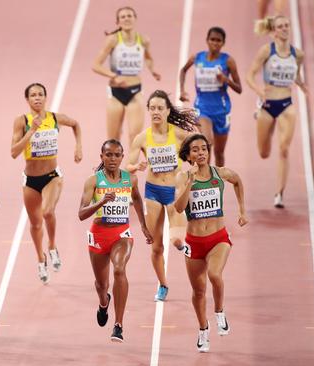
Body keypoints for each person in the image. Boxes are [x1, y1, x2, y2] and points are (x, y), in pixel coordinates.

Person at [174, 134, 248, 352]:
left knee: (215, 275)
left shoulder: (220, 173)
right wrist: (188, 185)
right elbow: (179, 208)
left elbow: (237, 181)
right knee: (198, 291)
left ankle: (219, 312)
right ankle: (203, 330)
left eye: (204, 149)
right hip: (194, 242)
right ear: (188, 155)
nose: (201, 153)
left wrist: (242, 210)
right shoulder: (182, 177)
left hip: (218, 238)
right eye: (195, 150)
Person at [127, 89, 198, 301]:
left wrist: (194, 168)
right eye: (152, 108)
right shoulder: (142, 138)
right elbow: (128, 165)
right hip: (153, 191)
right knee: (156, 245)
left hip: (174, 193)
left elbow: (198, 148)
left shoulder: (178, 134)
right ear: (148, 110)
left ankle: (189, 248)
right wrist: (136, 166)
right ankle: (163, 284)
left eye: (160, 108)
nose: (156, 111)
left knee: (176, 241)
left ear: (168, 111)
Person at [78, 139, 152, 342]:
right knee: (102, 285)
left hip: (122, 235)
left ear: (122, 157)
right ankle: (104, 302)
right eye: (108, 155)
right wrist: (101, 202)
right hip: (99, 236)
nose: (112, 158)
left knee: (119, 269)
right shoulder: (93, 181)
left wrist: (144, 225)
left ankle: (118, 325)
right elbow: (81, 214)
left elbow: (137, 198)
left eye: (117, 155)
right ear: (101, 157)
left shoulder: (130, 180)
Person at [10, 83, 82, 284]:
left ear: (45, 97)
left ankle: (52, 246)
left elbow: (76, 124)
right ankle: (40, 258)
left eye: (40, 94)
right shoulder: (21, 121)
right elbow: (14, 152)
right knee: (35, 224)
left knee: (48, 212)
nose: (37, 98)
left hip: (52, 176)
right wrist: (30, 131)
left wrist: (78, 147)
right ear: (27, 100)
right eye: (33, 95)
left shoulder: (54, 118)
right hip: (31, 180)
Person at [246, 15, 307, 208]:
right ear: (273, 31)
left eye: (287, 25)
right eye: (281, 26)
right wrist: (258, 91)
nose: (285, 29)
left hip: (286, 105)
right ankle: (265, 123)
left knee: (284, 148)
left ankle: (279, 194)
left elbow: (296, 75)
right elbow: (249, 75)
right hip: (267, 105)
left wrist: (304, 87)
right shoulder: (266, 51)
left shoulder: (298, 55)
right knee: (264, 152)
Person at [91, 6, 161, 146]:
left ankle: (130, 168)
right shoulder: (113, 40)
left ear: (135, 19)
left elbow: (148, 57)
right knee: (113, 139)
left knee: (135, 137)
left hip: (135, 91)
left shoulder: (143, 40)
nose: (126, 18)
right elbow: (96, 65)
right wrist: (113, 75)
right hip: (115, 93)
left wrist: (152, 70)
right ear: (117, 22)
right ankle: (111, 167)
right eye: (123, 17)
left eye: (129, 15)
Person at [179, 26, 242, 167]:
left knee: (219, 153)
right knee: (207, 144)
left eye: (218, 40)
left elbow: (239, 89)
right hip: (202, 108)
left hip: (222, 110)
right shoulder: (197, 58)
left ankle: (218, 185)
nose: (215, 43)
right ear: (207, 41)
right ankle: (204, 182)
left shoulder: (228, 61)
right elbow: (183, 70)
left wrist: (226, 80)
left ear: (223, 43)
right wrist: (182, 90)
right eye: (212, 39)